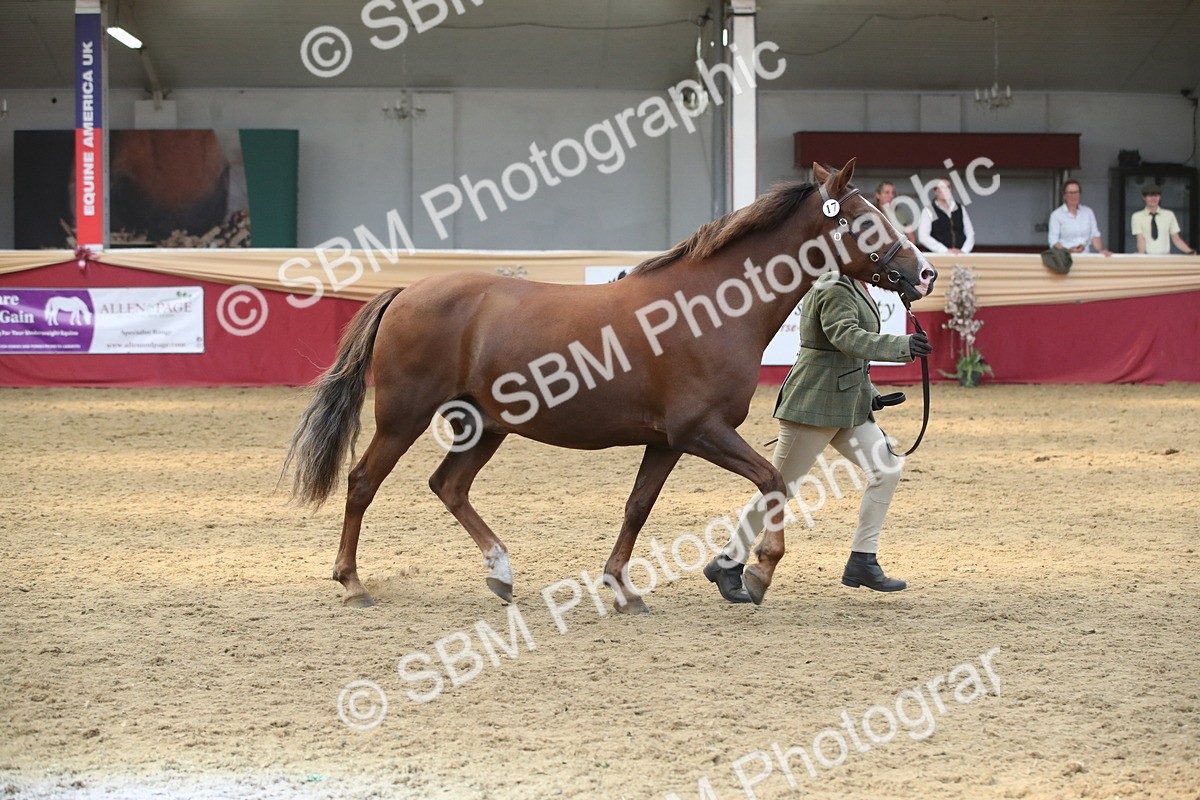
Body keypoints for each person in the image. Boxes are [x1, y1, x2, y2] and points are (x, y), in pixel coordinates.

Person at [703, 270, 932, 604]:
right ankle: (728, 561)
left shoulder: (856, 283)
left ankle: (862, 560)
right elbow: (846, 338)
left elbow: (851, 357)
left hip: (848, 404)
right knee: (779, 488)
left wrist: (869, 395)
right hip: (814, 404)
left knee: (886, 470)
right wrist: (902, 345)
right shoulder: (833, 284)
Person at [1049, 180, 1112, 256]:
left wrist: (1102, 250)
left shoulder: (1088, 212)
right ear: (1064, 195)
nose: (1073, 196)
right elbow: (1053, 241)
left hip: (1086, 257)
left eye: (1076, 192)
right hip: (1066, 259)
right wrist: (1068, 250)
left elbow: (1095, 235)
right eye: (1070, 193)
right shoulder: (1056, 215)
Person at [1132, 185, 1195, 255]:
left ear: (1160, 197)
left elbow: (1176, 238)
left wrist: (1190, 251)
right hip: (1147, 257)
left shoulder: (1169, 215)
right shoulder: (1137, 216)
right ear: (1144, 197)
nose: (1153, 198)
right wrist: (1140, 255)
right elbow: (1140, 239)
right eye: (1150, 196)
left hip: (1165, 257)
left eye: (1156, 195)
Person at [917, 179, 974, 254]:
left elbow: (970, 233)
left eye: (948, 187)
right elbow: (923, 236)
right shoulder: (929, 210)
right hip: (937, 257)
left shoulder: (960, 208)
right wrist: (944, 250)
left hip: (961, 256)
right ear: (936, 191)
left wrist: (964, 251)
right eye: (942, 187)